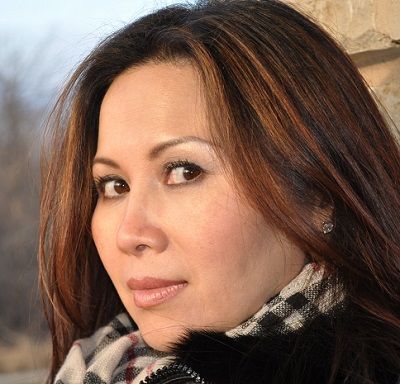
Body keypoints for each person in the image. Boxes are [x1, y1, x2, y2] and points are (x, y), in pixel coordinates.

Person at [39, 0, 400, 383]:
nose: (129, 234)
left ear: (317, 195)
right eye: (115, 185)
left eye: (183, 171)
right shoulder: (100, 366)